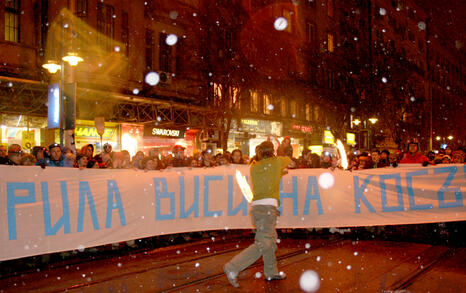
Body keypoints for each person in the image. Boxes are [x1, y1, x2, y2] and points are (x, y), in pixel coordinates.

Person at [224, 141, 290, 287]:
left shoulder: (254, 167)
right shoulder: (277, 162)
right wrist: (282, 165)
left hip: (257, 208)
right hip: (268, 209)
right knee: (263, 243)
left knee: (270, 240)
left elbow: (268, 173)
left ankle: (271, 272)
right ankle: (233, 267)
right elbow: (290, 161)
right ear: (272, 150)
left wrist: (279, 171)